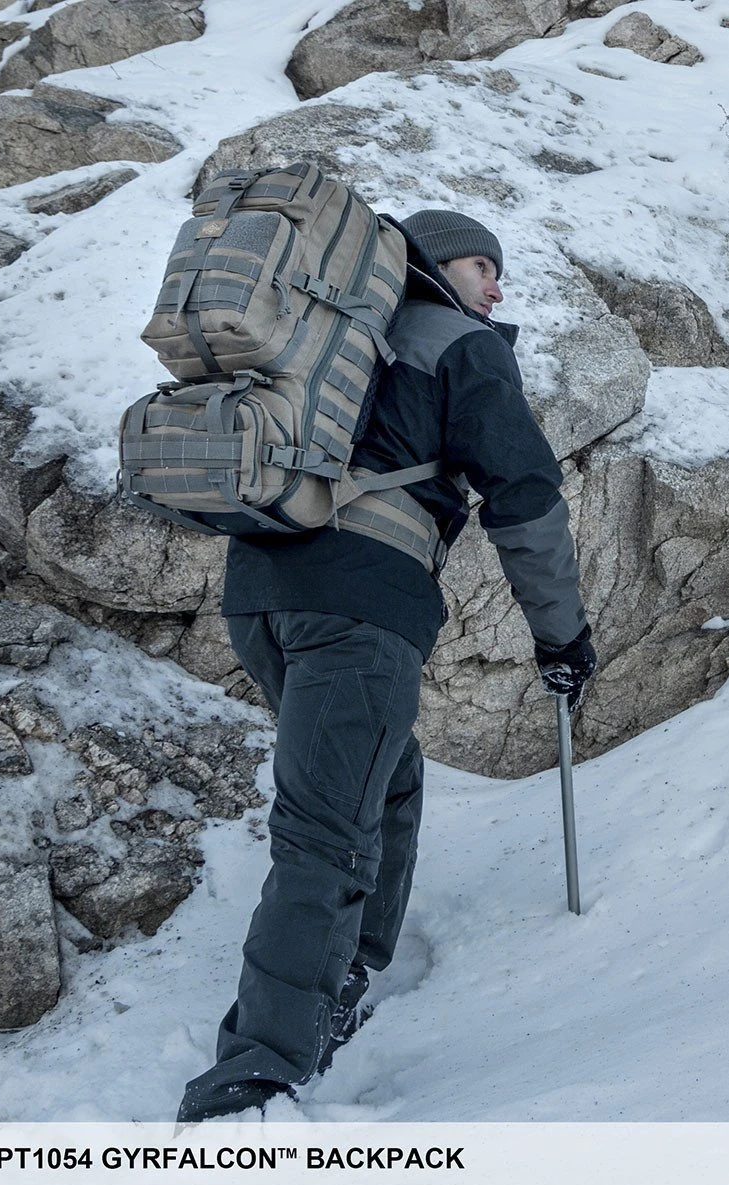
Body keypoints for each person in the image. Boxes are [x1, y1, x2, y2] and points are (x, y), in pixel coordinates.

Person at [177, 208, 596, 1122]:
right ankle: (257, 1073)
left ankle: (342, 977)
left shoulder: (317, 339)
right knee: (324, 830)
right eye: (484, 266)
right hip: (360, 608)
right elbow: (524, 495)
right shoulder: (458, 343)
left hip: (260, 598)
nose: (498, 288)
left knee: (386, 775)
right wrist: (561, 635)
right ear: (441, 267)